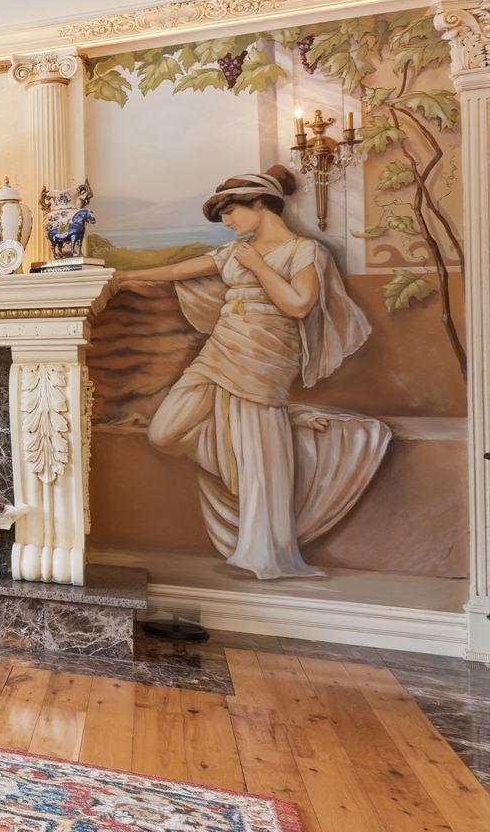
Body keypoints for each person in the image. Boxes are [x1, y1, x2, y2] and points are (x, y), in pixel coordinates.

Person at [114, 165, 390, 579]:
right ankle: (265, 445)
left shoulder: (303, 251)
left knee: (258, 453)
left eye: (231, 211)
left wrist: (259, 266)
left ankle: (264, 550)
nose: (227, 221)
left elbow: (299, 304)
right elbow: (178, 271)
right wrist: (127, 276)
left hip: (266, 354)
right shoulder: (234, 252)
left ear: (261, 204)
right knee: (165, 431)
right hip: (221, 348)